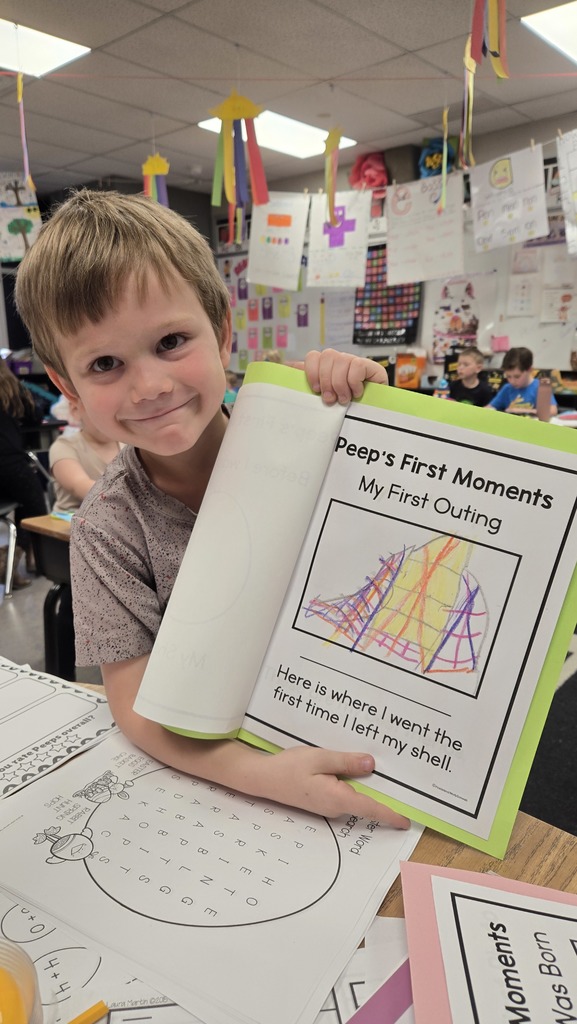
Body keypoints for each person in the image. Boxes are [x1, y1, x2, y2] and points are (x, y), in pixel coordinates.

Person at [15, 189, 408, 830]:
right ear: (67, 387)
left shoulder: (316, 431)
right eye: (106, 364)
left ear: (222, 332)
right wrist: (259, 776)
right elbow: (133, 700)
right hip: (232, 784)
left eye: (171, 341)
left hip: (380, 743)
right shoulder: (107, 527)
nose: (151, 386)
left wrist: (378, 418)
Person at [0, 356, 48, 588]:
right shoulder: (10, 387)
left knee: (23, 503)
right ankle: (16, 559)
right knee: (36, 510)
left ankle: (19, 558)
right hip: (10, 464)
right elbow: (34, 416)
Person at [49, 396, 124, 514]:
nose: (108, 418)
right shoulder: (63, 447)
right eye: (99, 411)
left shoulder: (130, 445)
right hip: (72, 522)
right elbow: (79, 485)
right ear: (75, 410)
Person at [488, 346, 558, 416]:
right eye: (508, 376)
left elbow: (552, 410)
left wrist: (522, 411)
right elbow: (490, 407)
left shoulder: (541, 387)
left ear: (529, 370)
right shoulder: (507, 388)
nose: (512, 381)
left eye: (517, 376)